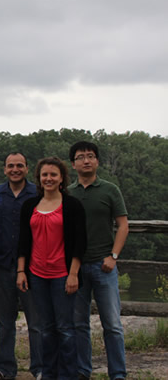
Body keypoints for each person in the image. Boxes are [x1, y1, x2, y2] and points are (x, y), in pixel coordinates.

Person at [17, 157, 87, 380]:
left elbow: (79, 242)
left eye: (53, 175)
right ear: (39, 178)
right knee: (46, 328)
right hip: (37, 274)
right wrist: (21, 271)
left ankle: (68, 375)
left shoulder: (72, 205)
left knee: (65, 328)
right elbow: (23, 241)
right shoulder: (30, 205)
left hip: (62, 275)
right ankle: (48, 373)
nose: (49, 178)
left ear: (62, 178)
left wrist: (73, 274)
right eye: (45, 175)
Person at [68, 141, 129, 380]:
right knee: (79, 324)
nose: (86, 160)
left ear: (97, 161)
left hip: (104, 266)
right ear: (73, 164)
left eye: (91, 156)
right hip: (76, 267)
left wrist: (113, 256)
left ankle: (118, 374)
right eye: (81, 157)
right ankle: (83, 371)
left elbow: (123, 225)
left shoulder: (110, 189)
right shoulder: (68, 192)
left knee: (112, 325)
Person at [0, 153, 42, 380]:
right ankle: (5, 369)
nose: (15, 169)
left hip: (33, 267)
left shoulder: (37, 194)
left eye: (20, 165)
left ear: (27, 169)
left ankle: (40, 368)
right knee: (5, 321)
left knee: (36, 322)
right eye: (11, 166)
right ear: (5, 169)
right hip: (2, 264)